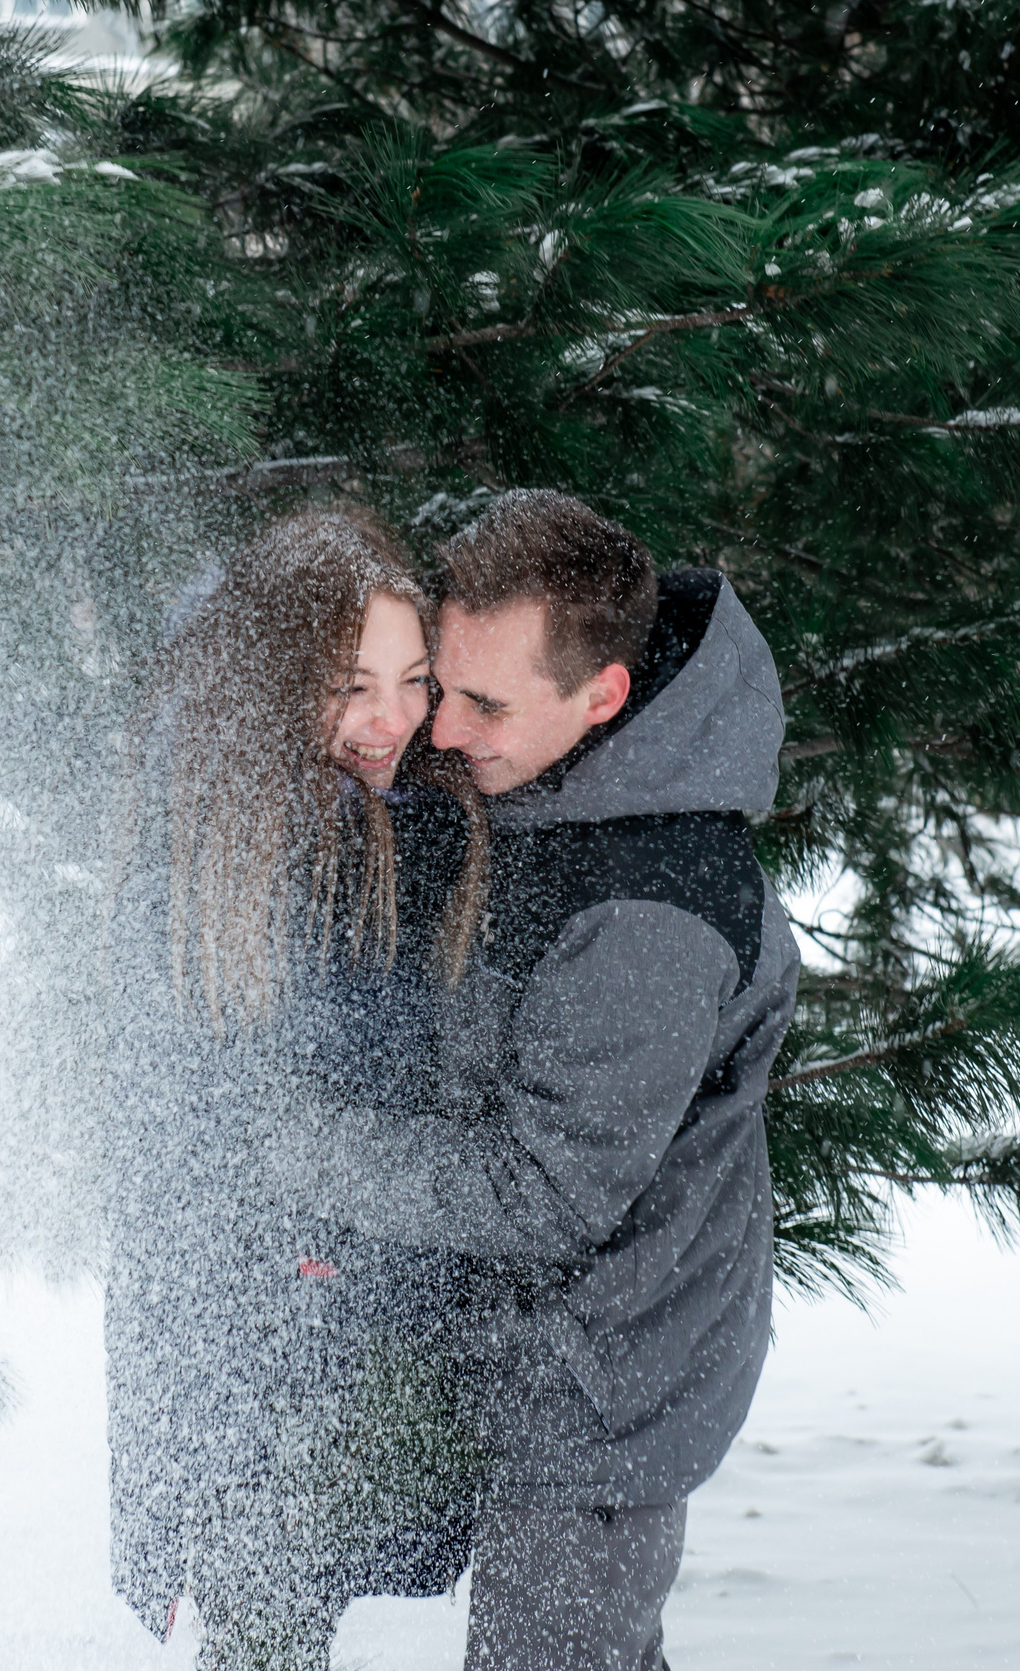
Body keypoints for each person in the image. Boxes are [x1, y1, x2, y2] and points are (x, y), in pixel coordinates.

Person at [265, 489, 801, 1671]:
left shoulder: (652, 911)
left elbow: (542, 1189)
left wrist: (293, 1145)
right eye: (441, 684)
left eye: (483, 704)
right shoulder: (553, 777)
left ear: (601, 694)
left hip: (602, 1384)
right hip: (503, 1339)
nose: (441, 730)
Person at [104, 504, 490, 1670]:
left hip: (336, 1331)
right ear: (274, 683)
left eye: (413, 680)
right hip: (264, 1356)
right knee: (267, 1624)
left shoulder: (374, 819)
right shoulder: (250, 852)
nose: (391, 719)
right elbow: (191, 1164)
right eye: (348, 685)